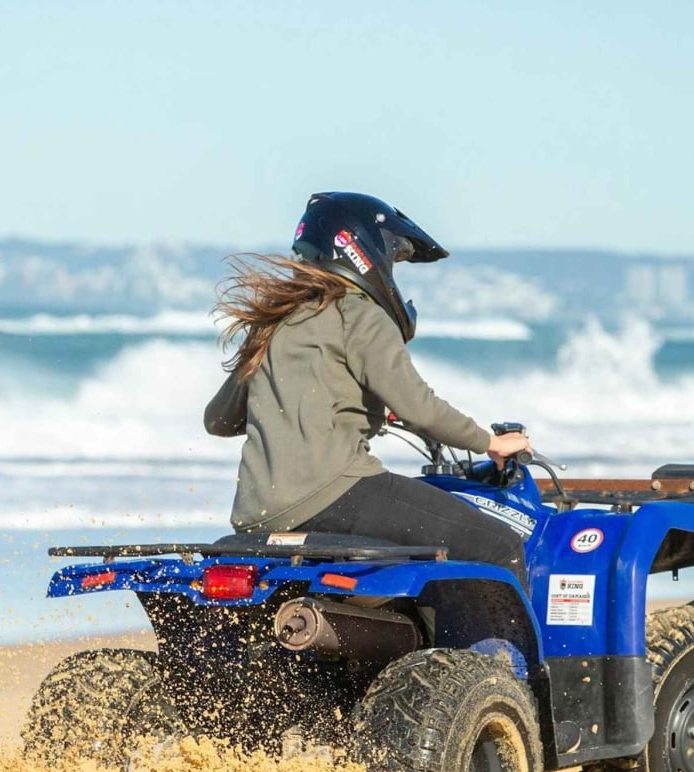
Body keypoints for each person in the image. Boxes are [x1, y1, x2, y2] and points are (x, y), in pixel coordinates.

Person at [203, 191, 532, 580]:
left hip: (256, 513)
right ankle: (498, 644)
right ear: (364, 251)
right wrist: (490, 442)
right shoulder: (359, 315)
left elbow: (218, 420)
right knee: (499, 546)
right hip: (333, 493)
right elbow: (420, 407)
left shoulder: (272, 322)